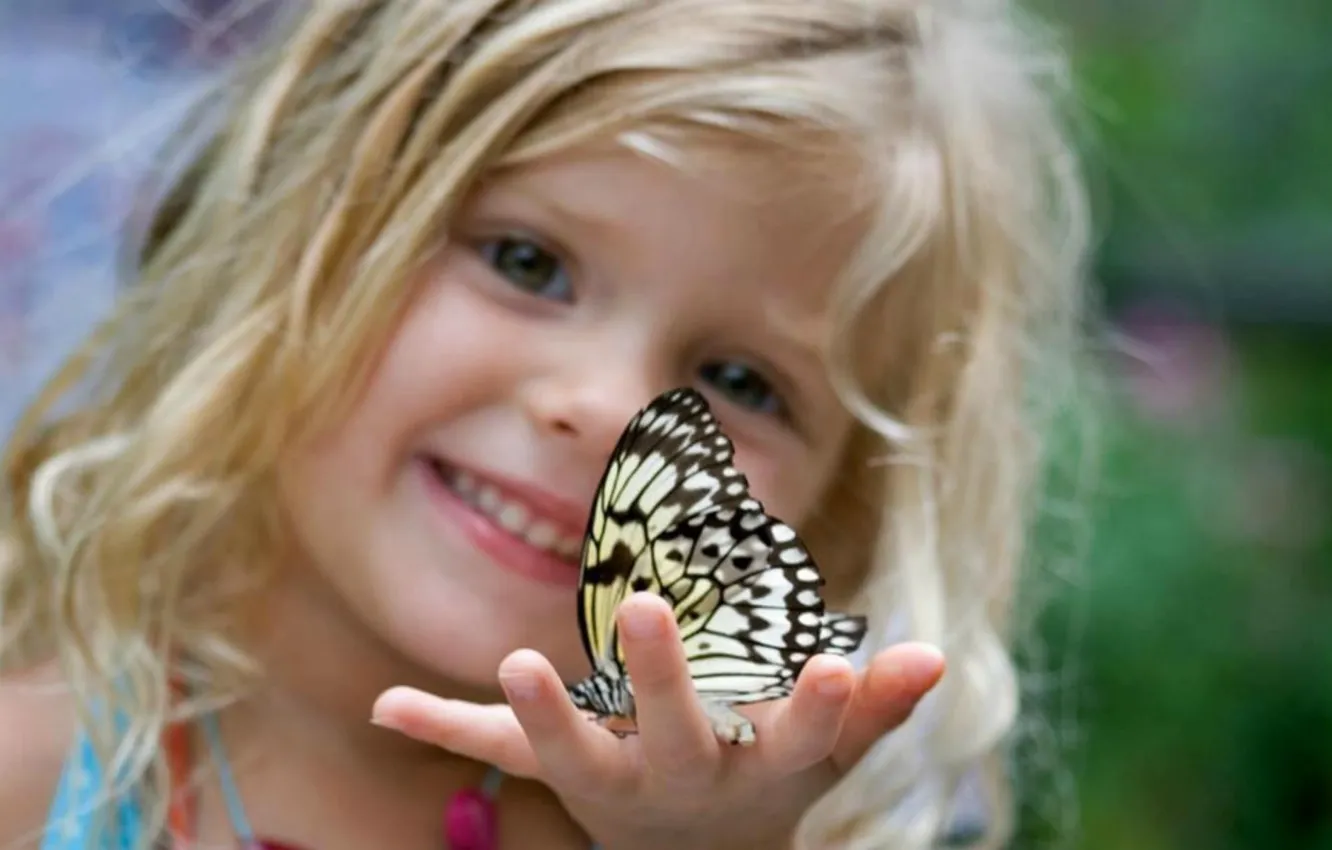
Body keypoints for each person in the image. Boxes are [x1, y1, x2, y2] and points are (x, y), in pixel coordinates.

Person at [0, 0, 1091, 848]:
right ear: (309, 223)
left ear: (839, 511)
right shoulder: (40, 766)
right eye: (530, 263)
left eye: (740, 381)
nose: (613, 408)